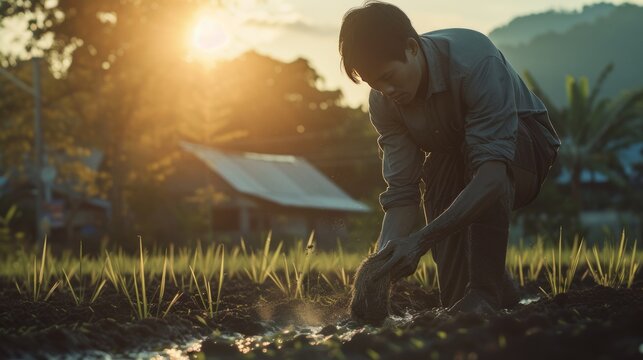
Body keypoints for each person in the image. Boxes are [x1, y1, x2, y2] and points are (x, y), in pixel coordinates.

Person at [339, 1, 561, 314]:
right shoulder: (384, 102)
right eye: (376, 84)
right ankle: (495, 297)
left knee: (481, 162)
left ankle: (485, 291)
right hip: (456, 157)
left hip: (524, 148)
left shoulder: (473, 61)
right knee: (438, 182)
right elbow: (403, 192)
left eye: (390, 76)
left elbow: (492, 177)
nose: (387, 91)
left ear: (412, 48)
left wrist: (419, 241)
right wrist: (380, 268)